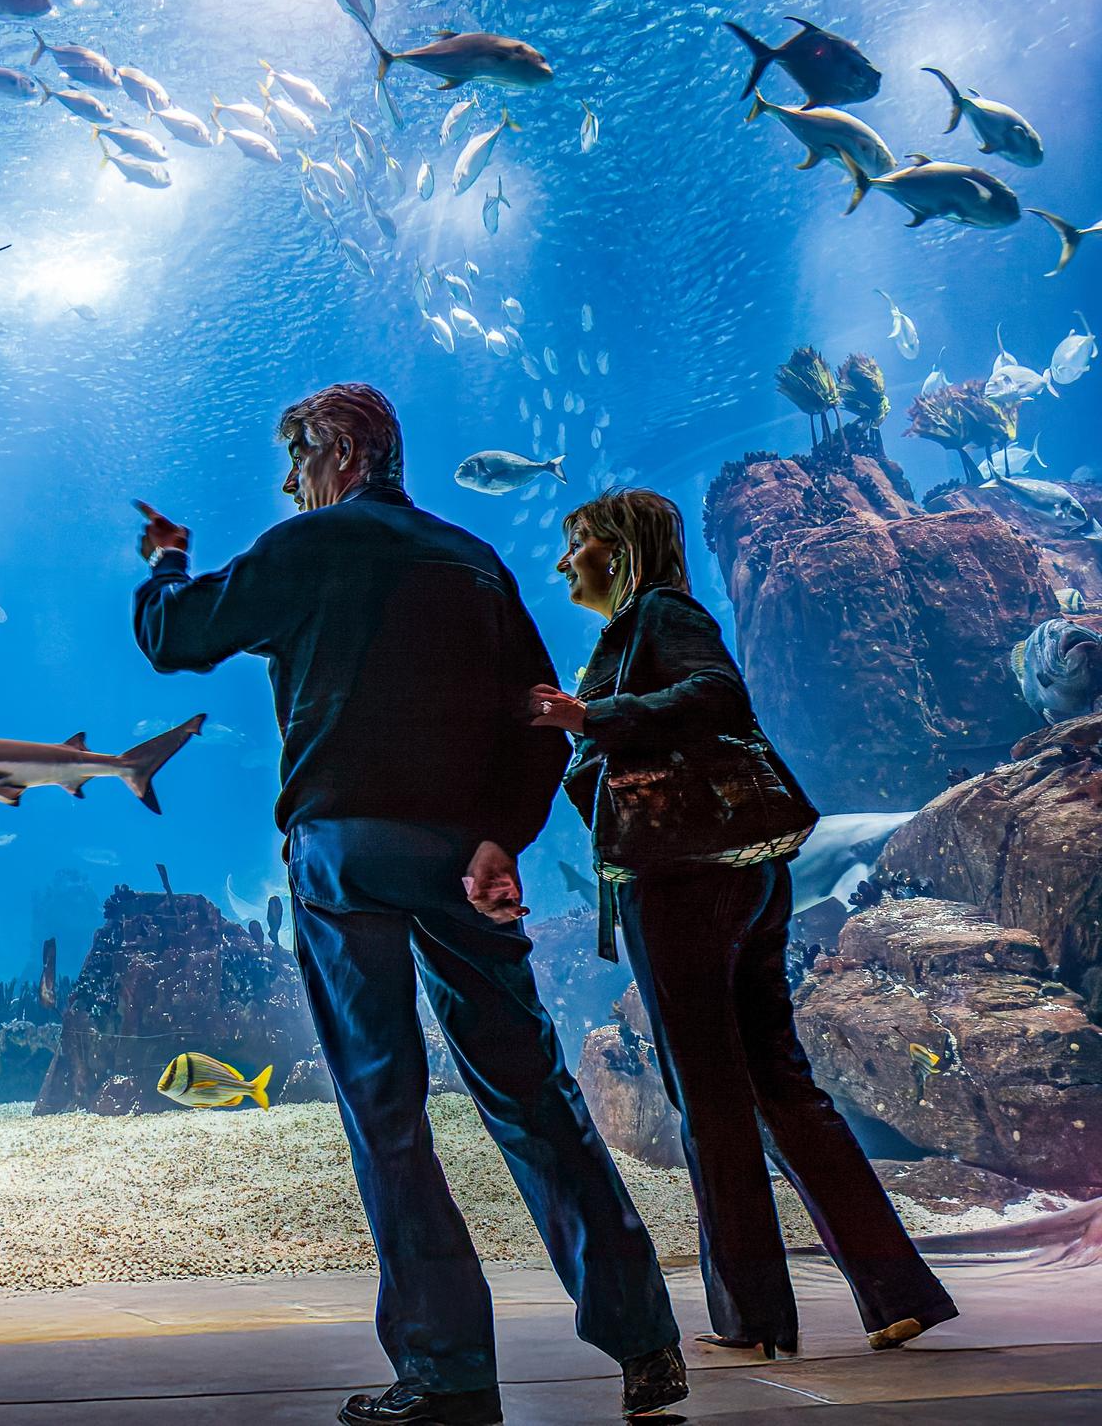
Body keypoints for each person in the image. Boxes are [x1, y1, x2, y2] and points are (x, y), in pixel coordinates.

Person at [132, 385, 685, 1426]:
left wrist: (165, 559)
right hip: (459, 858)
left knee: (385, 1107)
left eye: (295, 458)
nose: (288, 481)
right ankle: (644, 1336)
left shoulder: (308, 545)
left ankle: (446, 1373)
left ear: (339, 450)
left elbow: (178, 638)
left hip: (344, 851)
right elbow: (538, 717)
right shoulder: (472, 561)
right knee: (530, 1089)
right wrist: (498, 836)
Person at [529, 487, 957, 1359]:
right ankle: (896, 1292)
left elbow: (718, 693)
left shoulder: (659, 612)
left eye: (577, 546)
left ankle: (752, 1318)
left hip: (685, 885)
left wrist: (593, 717)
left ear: (618, 549)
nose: (565, 563)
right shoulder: (644, 623)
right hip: (740, 881)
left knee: (709, 1098)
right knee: (777, 1084)